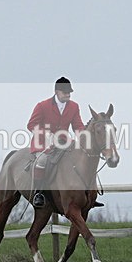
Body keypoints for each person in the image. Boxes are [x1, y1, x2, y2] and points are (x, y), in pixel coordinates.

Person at [27, 77, 85, 208]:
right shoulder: (42, 106)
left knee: (79, 159)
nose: (68, 95)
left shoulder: (74, 106)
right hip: (43, 144)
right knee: (42, 161)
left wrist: (83, 136)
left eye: (69, 92)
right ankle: (39, 193)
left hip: (64, 143)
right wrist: (48, 135)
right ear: (56, 92)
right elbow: (31, 125)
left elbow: (78, 125)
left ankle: (85, 194)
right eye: (65, 92)